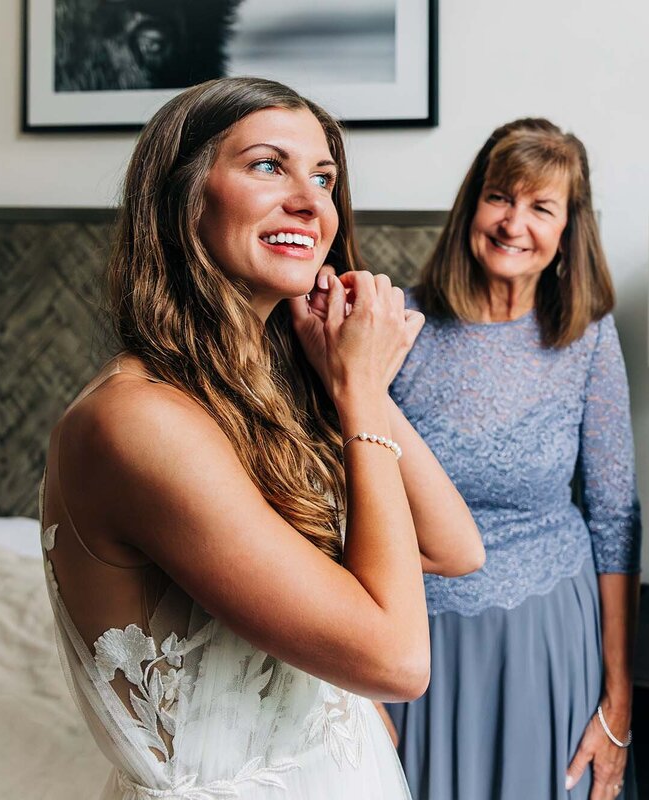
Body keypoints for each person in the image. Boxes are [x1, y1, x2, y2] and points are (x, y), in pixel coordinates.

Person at [38, 76, 484, 800]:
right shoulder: (136, 421)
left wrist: (344, 379)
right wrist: (366, 388)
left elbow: (454, 547)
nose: (313, 202)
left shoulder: (268, 395)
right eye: (269, 165)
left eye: (326, 177)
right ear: (185, 197)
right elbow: (400, 660)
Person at [380, 119, 642, 800]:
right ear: (473, 204)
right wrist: (358, 684)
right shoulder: (399, 325)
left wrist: (619, 700)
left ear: (566, 231)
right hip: (418, 646)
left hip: (549, 641)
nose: (514, 222)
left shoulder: (587, 338)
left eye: (540, 206)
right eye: (500, 197)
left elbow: (615, 518)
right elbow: (343, 505)